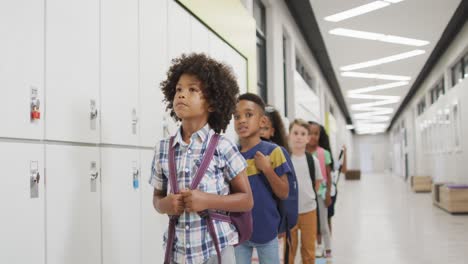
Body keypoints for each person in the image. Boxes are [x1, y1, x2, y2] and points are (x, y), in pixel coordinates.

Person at [149, 53, 253, 264]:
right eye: (178, 89)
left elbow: (246, 200)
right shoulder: (162, 149)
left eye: (192, 90)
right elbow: (157, 198)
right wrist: (164, 205)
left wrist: (206, 200)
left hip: (216, 252)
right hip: (177, 253)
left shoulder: (223, 147)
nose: (181, 95)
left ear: (212, 103)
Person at [234, 93, 291, 264]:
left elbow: (284, 193)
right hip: (238, 231)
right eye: (237, 116)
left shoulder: (274, 152)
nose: (242, 120)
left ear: (263, 121)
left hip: (267, 231)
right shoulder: (231, 154)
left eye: (248, 115)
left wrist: (267, 169)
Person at [287, 119, 323, 264]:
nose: (299, 137)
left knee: (309, 251)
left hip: (309, 211)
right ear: (289, 135)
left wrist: (308, 197)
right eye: (295, 133)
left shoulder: (312, 160)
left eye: (303, 134)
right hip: (290, 212)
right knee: (289, 250)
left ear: (308, 138)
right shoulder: (285, 159)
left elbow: (317, 182)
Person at [307, 121, 332, 259]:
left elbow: (328, 176)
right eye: (310, 133)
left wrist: (328, 193)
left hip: (321, 194)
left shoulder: (324, 153)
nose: (313, 136)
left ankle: (327, 249)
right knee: (311, 224)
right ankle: (316, 247)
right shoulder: (302, 153)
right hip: (308, 195)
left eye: (316, 134)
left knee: (323, 223)